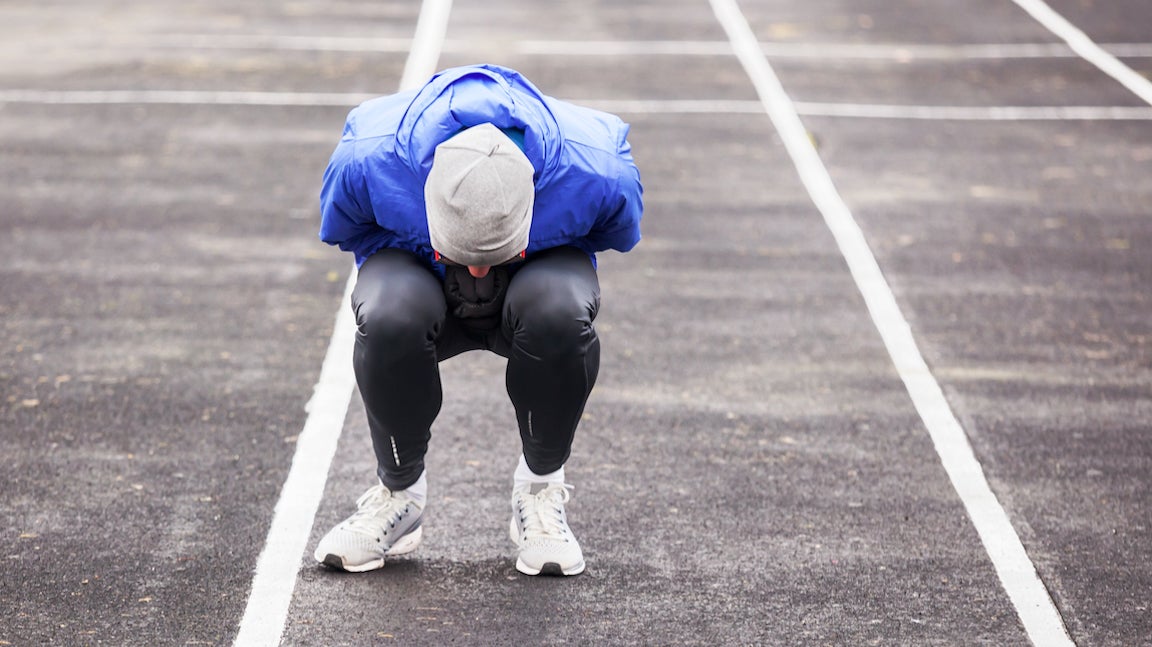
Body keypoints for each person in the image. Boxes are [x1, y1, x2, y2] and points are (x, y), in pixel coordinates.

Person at [312, 64, 643, 576]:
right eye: (467, 252)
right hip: (419, 263)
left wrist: (529, 256)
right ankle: (399, 493)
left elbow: (618, 233)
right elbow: (347, 229)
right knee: (388, 313)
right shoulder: (368, 157)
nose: (478, 271)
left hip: (535, 265)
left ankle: (539, 489)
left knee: (559, 309)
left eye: (489, 251)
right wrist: (430, 256)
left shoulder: (596, 168)